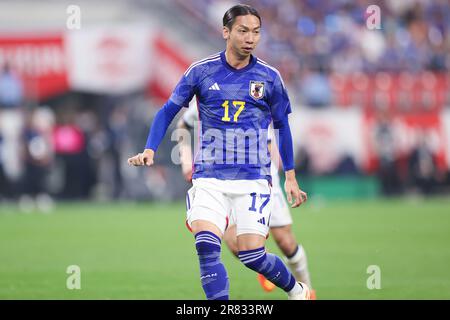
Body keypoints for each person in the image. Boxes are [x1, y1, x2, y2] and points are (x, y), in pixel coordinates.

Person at [128, 4, 310, 300]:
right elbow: (168, 111)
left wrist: (289, 176)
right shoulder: (201, 71)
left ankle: (296, 290)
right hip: (210, 177)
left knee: (252, 256)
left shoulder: (269, 77)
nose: (250, 38)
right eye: (243, 31)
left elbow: (282, 128)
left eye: (256, 32)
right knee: (206, 247)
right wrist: (150, 148)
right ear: (226, 32)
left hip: (252, 178)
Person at [177, 98, 315, 298]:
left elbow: (280, 129)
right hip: (221, 181)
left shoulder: (258, 88)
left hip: (261, 179)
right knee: (236, 245)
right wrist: (186, 160)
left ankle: (307, 289)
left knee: (285, 242)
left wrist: (289, 175)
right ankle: (262, 261)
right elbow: (183, 124)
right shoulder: (207, 92)